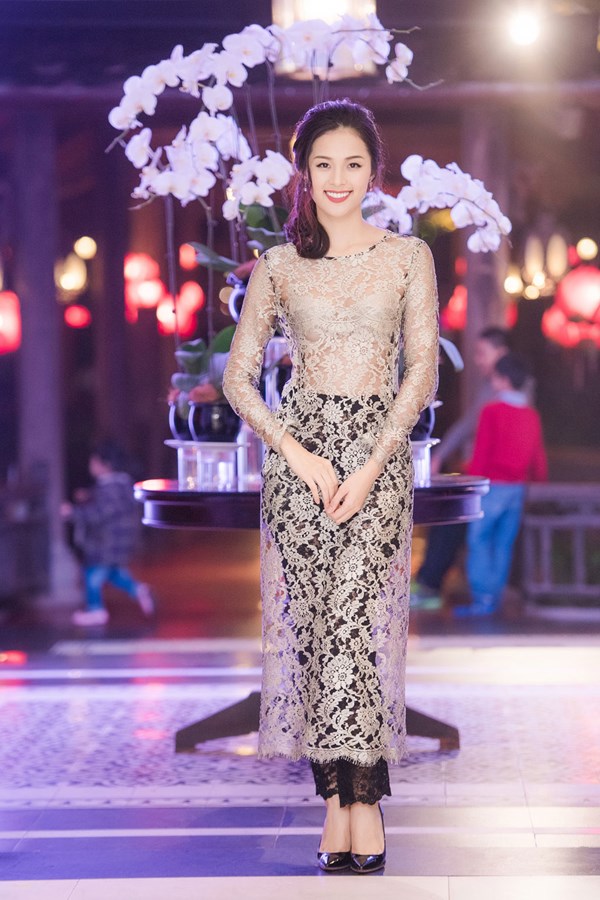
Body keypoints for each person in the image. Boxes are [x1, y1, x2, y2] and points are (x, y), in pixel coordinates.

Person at [223, 99, 439, 874]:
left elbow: (422, 369)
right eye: (323, 165)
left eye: (352, 163)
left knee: (356, 623)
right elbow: (239, 378)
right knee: (318, 632)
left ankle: (364, 802)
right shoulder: (279, 267)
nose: (337, 178)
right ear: (304, 173)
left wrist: (375, 461)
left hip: (377, 459)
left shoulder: (408, 257)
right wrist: (295, 452)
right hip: (300, 464)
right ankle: (333, 801)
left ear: (373, 171)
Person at [411, 326, 511, 607]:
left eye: (482, 353)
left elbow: (471, 427)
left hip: (494, 477)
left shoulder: (502, 390)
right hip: (487, 474)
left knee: (456, 524)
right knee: (452, 522)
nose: (477, 360)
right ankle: (432, 583)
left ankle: (435, 586)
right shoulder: (493, 387)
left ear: (501, 352)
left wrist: (441, 455)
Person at [456, 352, 547, 616]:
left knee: (479, 540)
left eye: (495, 377)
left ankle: (482, 597)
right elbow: (537, 456)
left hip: (491, 487)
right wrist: (540, 481)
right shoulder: (531, 414)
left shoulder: (492, 411)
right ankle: (493, 598)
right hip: (517, 488)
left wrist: (471, 482)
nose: (493, 382)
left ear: (504, 379)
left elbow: (482, 452)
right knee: (503, 544)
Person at [62, 440, 155, 626]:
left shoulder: (109, 489)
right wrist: (89, 495)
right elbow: (109, 504)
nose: (91, 466)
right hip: (120, 541)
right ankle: (138, 590)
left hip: (105, 542)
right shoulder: (121, 485)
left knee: (92, 574)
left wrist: (73, 512)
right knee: (113, 573)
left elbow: (99, 513)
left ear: (105, 465)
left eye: (94, 462)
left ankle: (96, 609)